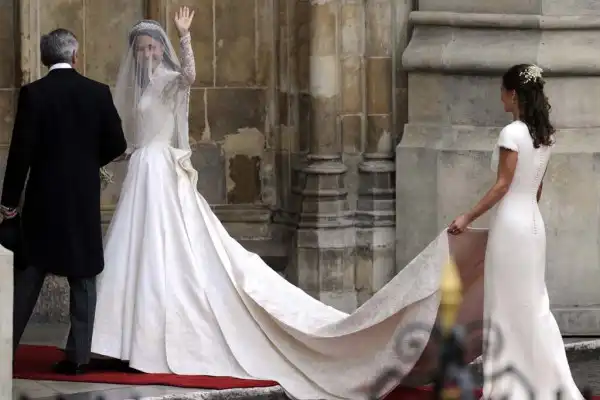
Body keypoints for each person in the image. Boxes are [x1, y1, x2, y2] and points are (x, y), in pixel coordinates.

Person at [448, 64, 583, 399]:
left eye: (502, 91)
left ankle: (509, 385)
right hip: (534, 225)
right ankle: (547, 382)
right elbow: (536, 189)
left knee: (505, 306)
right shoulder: (545, 135)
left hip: (511, 226)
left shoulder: (512, 133)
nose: (500, 98)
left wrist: (467, 216)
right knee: (534, 304)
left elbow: (502, 186)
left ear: (513, 94)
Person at [1, 28, 127, 374]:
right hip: (82, 198)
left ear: (45, 58)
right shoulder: (97, 92)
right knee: (83, 276)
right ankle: (78, 358)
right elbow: (117, 143)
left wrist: (8, 203)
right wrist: (87, 162)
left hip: (43, 198)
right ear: (75, 55)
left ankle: (4, 352)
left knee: (29, 274)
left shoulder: (34, 93)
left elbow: (21, 152)